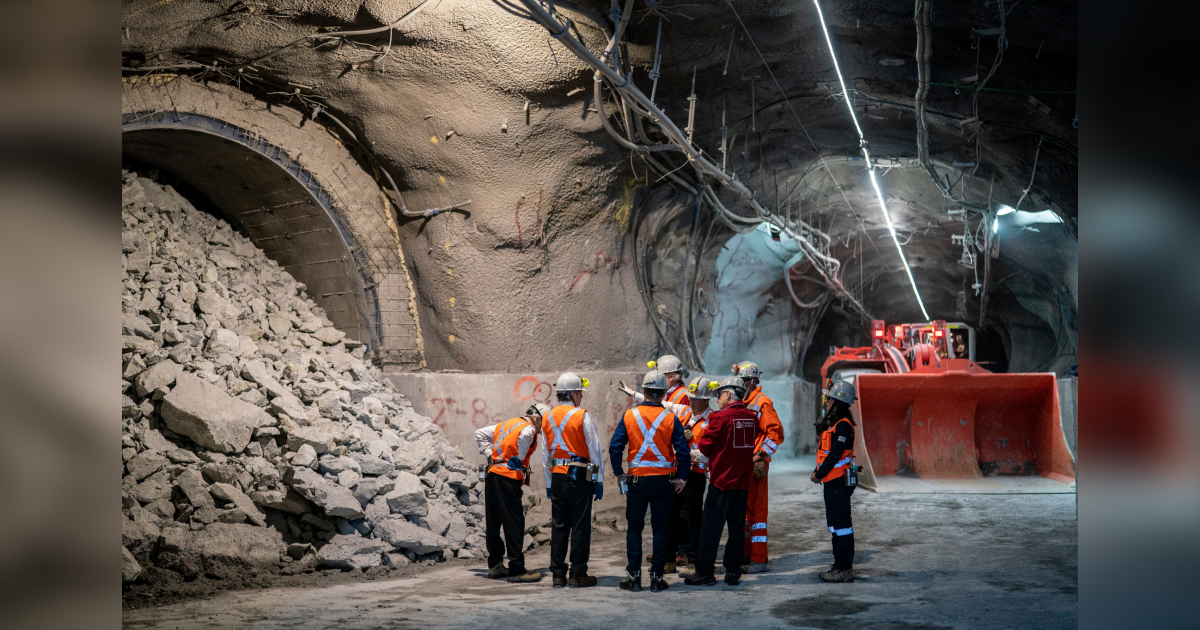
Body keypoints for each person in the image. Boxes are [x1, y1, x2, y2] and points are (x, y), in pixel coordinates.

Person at [609, 370, 690, 593]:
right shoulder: (671, 418)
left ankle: (634, 578)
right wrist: (682, 477)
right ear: (664, 393)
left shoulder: (629, 416)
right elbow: (683, 452)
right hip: (664, 483)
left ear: (644, 391)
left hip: (637, 482)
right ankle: (656, 578)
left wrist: (619, 473)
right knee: (660, 530)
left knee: (634, 530)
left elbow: (615, 447)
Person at [684, 376, 759, 587]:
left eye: (719, 394)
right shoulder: (751, 418)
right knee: (736, 529)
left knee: (710, 529)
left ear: (728, 394)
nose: (717, 398)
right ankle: (733, 572)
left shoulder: (720, 418)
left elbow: (705, 447)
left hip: (721, 483)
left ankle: (705, 572)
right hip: (742, 484)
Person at [539, 372, 605, 588]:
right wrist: (599, 479)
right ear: (574, 394)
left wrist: (549, 484)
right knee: (579, 526)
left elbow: (545, 454)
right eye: (580, 394)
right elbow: (594, 451)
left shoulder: (547, 417)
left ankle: (558, 575)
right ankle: (577, 574)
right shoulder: (582, 416)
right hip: (579, 477)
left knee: (559, 526)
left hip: (557, 477)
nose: (582, 398)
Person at [474, 404, 547, 583]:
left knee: (494, 521)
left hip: (493, 475)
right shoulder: (529, 427)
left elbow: (479, 434)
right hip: (508, 477)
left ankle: (495, 565)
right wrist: (520, 458)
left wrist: (489, 455)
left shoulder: (506, 424)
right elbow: (526, 436)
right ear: (538, 419)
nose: (542, 430)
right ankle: (516, 569)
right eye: (543, 425)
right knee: (514, 522)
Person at [662, 376, 718, 576]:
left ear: (706, 399)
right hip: (678, 470)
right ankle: (668, 558)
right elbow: (667, 405)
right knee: (670, 515)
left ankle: (693, 560)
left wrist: (687, 453)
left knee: (694, 518)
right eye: (690, 397)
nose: (691, 401)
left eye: (695, 398)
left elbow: (709, 451)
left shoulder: (712, 419)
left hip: (695, 474)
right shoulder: (686, 413)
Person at [733, 361, 785, 573]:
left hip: (755, 466)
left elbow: (776, 434)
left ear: (753, 381)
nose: (740, 385)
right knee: (745, 513)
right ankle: (747, 555)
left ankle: (758, 560)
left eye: (743, 381)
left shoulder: (762, 402)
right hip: (742, 466)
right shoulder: (743, 402)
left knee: (757, 513)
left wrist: (760, 455)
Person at [810, 379, 858, 583]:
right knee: (835, 525)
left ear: (839, 401)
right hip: (832, 483)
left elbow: (835, 456)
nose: (826, 402)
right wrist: (818, 471)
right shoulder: (836, 425)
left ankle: (844, 568)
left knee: (842, 526)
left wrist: (818, 474)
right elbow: (825, 454)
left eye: (829, 399)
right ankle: (839, 564)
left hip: (838, 483)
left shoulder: (844, 427)